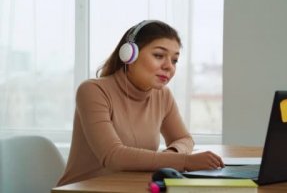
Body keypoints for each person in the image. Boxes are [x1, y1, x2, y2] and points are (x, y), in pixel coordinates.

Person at [57, 20, 224, 186]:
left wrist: (171, 155)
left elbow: (183, 138)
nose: (169, 67)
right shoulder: (93, 91)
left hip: (130, 187)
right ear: (129, 55)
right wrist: (185, 161)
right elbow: (113, 156)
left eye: (174, 60)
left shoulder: (162, 95)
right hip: (84, 189)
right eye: (159, 55)